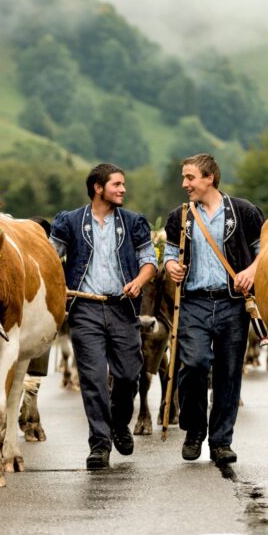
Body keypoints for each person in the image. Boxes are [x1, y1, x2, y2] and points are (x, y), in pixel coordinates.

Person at [49, 163, 158, 470]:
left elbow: (149, 261)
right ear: (98, 188)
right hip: (84, 309)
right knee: (94, 379)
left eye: (123, 184)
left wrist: (139, 281)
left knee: (127, 376)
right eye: (117, 184)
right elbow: (49, 257)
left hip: (123, 308)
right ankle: (99, 443)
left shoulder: (134, 222)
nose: (123, 189)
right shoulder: (70, 221)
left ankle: (120, 423)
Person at [163, 154, 264, 466]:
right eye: (184, 177)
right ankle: (194, 429)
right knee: (192, 363)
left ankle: (221, 441)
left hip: (232, 303)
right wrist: (170, 266)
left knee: (229, 372)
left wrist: (252, 271)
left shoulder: (244, 211)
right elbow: (169, 251)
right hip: (193, 301)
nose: (185, 184)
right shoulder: (179, 216)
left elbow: (265, 250)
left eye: (190, 177)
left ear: (209, 178)